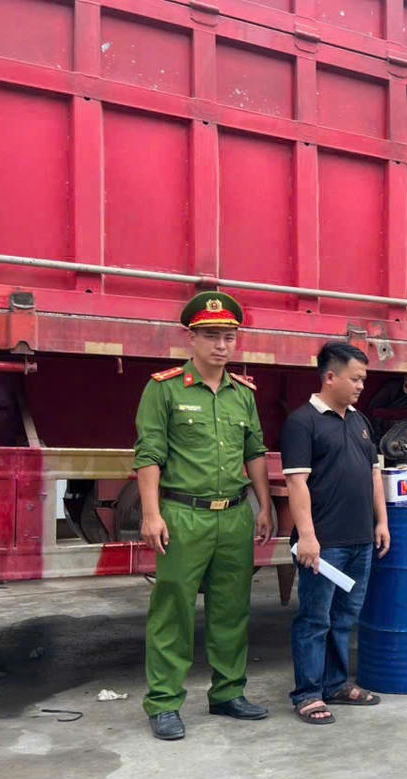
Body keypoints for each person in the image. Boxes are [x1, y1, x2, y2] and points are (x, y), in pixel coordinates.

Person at [134, 291, 275, 740]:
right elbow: (148, 455)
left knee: (232, 609)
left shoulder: (243, 395)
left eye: (229, 337)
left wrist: (265, 504)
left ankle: (228, 693)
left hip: (233, 516)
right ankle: (163, 703)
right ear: (191, 338)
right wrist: (152, 514)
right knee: (172, 609)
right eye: (212, 336)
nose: (221, 345)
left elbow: (254, 451)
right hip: (183, 515)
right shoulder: (165, 388)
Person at [281, 342, 391, 724]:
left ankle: (336, 684)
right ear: (330, 377)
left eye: (363, 379)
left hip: (360, 539)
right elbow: (297, 485)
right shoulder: (302, 423)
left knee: (345, 616)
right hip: (324, 544)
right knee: (315, 619)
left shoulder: (360, 422)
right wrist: (307, 537)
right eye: (355, 378)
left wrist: (382, 521)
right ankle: (308, 693)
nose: (361, 386)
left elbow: (375, 474)